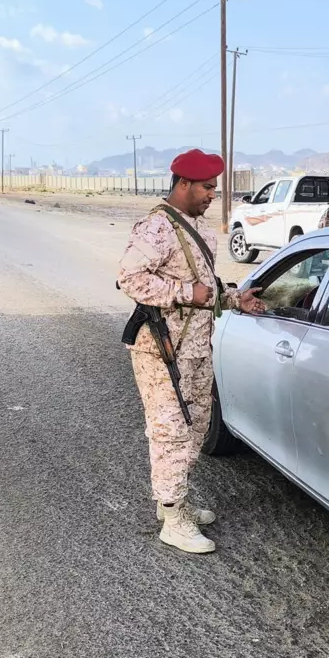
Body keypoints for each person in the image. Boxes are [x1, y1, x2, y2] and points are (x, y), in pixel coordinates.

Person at [118, 149, 265, 554]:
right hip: (162, 351)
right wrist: (184, 293)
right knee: (170, 432)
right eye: (206, 187)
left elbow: (206, 288)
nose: (212, 195)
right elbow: (128, 278)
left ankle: (175, 503)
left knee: (196, 427)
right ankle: (172, 517)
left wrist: (236, 299)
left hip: (197, 349)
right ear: (183, 184)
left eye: (214, 188)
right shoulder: (156, 229)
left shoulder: (198, 229)